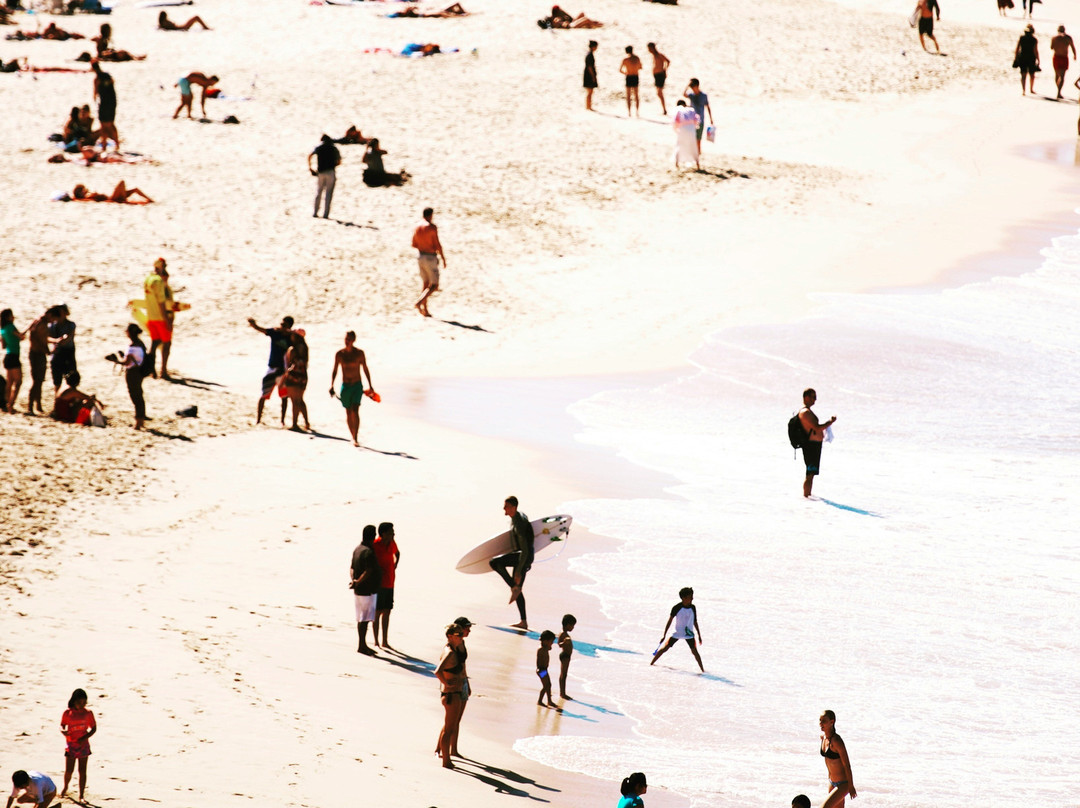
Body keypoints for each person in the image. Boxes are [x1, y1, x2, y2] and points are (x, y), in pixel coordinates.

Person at [489, 496, 534, 629]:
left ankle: (514, 587)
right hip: (522, 556)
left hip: (523, 557)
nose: (504, 509)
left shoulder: (519, 522)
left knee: (494, 563)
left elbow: (525, 548)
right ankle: (523, 621)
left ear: (513, 507)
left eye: (506, 506)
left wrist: (519, 570)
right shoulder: (519, 517)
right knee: (517, 589)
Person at [435, 616, 473, 759]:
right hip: (452, 688)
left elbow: (462, 666)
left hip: (461, 682)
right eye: (466, 628)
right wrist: (445, 683)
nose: (468, 631)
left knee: (456, 720)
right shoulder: (451, 648)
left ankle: (453, 750)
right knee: (450, 722)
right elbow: (441, 670)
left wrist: (467, 683)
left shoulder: (460, 644)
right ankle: (439, 749)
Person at [329, 330, 375, 447]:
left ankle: (355, 437)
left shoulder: (359, 353)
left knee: (355, 409)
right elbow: (335, 370)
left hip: (357, 385)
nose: (347, 341)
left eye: (349, 339)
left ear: (353, 340)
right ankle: (352, 435)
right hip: (345, 386)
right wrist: (332, 385)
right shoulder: (340, 354)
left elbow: (365, 368)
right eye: (346, 339)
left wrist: (370, 385)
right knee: (348, 412)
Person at [247, 316, 293, 424]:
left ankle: (282, 421)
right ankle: (258, 420)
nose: (281, 326)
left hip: (283, 371)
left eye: (284, 325)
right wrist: (254, 325)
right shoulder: (275, 332)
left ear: (289, 326)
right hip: (272, 368)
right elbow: (261, 329)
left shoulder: (291, 337)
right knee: (264, 395)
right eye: (281, 324)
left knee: (284, 397)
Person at [650, 586, 704, 672]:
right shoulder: (677, 607)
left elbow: (695, 621)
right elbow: (669, 621)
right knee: (664, 649)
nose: (692, 598)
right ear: (683, 598)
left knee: (695, 653)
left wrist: (699, 635)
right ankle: (651, 664)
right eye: (690, 597)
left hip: (689, 634)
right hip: (678, 633)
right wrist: (664, 635)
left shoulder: (693, 607)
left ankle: (703, 671)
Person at [106, 323, 147, 429]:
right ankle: (141, 419)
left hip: (132, 373)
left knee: (135, 396)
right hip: (140, 371)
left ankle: (138, 422)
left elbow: (126, 362)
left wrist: (115, 360)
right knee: (139, 395)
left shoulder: (132, 347)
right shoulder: (140, 344)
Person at [797, 387, 835, 498]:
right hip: (811, 446)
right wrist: (830, 422)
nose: (815, 399)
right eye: (813, 397)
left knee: (811, 474)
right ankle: (806, 496)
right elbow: (817, 428)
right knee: (810, 473)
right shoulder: (805, 412)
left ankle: (807, 496)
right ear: (806, 397)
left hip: (814, 445)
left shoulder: (807, 411)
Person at [139, 258, 174, 378]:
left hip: (151, 316)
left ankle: (151, 369)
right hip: (161, 317)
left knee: (154, 343)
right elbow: (161, 302)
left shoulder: (148, 279)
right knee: (167, 344)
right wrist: (167, 320)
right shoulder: (158, 281)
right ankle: (163, 371)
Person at [59, 689, 96, 802]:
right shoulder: (67, 713)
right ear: (74, 701)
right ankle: (65, 787)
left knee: (82, 771)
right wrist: (63, 731)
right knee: (69, 770)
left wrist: (84, 738)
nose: (82, 705)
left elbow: (93, 728)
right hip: (71, 745)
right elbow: (62, 725)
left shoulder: (88, 713)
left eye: (84, 702)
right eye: (80, 702)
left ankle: (81, 795)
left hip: (83, 745)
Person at [349, 525, 381, 656]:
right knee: (365, 619)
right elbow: (369, 570)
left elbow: (352, 568)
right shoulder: (368, 551)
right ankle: (362, 645)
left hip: (359, 589)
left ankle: (362, 644)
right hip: (367, 589)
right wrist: (359, 581)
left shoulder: (357, 549)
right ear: (373, 536)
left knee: (362, 618)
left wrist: (354, 580)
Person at [412, 207, 446, 317]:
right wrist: (443, 258)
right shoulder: (431, 227)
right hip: (430, 257)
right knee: (434, 285)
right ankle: (419, 302)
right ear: (430, 215)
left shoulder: (417, 226)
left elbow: (414, 243)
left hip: (420, 256)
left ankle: (425, 309)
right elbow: (437, 243)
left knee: (425, 283)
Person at [2, 309, 37, 413]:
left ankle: (7, 403)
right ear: (8, 317)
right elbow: (21, 336)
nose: (13, 317)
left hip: (8, 356)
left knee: (9, 382)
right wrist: (29, 326)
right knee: (18, 382)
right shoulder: (11, 327)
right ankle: (10, 404)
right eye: (11, 316)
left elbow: (3, 345)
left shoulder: (2, 329)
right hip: (14, 356)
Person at [819, 710, 856, 808]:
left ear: (832, 722)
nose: (821, 724)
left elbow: (847, 765)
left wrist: (851, 786)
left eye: (824, 721)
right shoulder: (824, 738)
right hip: (832, 782)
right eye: (820, 721)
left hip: (843, 783)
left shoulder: (836, 741)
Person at [372, 522, 400, 648]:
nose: (393, 534)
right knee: (377, 612)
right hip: (378, 583)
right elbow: (370, 561)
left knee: (387, 611)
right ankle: (376, 641)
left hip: (390, 582)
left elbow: (397, 553)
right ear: (383, 534)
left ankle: (385, 641)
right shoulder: (375, 545)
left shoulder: (392, 543)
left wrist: (395, 565)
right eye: (390, 532)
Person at [26, 307, 57, 415]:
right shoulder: (42, 324)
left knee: (38, 380)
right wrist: (47, 351)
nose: (52, 322)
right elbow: (39, 340)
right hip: (38, 354)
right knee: (37, 381)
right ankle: (30, 406)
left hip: (35, 353)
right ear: (50, 315)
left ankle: (37, 405)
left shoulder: (37, 321)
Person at [280, 330, 309, 430]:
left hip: (293, 376)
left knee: (294, 401)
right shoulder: (305, 348)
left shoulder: (292, 349)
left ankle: (295, 424)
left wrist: (284, 378)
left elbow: (290, 365)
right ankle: (306, 422)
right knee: (300, 400)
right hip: (303, 375)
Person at [308, 134, 340, 218]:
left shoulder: (319, 147)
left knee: (319, 192)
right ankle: (326, 214)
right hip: (330, 171)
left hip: (320, 172)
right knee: (329, 193)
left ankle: (315, 212)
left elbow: (310, 155)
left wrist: (310, 167)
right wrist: (334, 165)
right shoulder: (333, 148)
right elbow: (339, 160)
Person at [48, 305, 76, 397]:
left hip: (67, 354)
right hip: (58, 354)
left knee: (71, 379)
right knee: (57, 381)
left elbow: (66, 340)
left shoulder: (70, 325)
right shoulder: (52, 326)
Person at [91, 61, 118, 150]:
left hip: (104, 102)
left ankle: (104, 146)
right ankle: (117, 144)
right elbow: (112, 83)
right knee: (111, 124)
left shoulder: (97, 79)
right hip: (112, 101)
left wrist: (95, 100)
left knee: (103, 125)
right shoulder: (108, 76)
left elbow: (95, 93)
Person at [683, 79, 713, 158]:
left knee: (698, 139)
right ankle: (694, 155)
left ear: (697, 86)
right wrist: (687, 85)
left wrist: (711, 119)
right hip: (691, 121)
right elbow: (684, 94)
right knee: (691, 138)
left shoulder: (703, 96)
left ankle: (697, 156)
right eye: (692, 88)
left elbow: (708, 107)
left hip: (701, 121)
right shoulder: (691, 95)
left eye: (694, 87)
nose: (693, 89)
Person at [672, 99, 700, 170]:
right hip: (691, 129)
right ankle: (697, 164)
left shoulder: (678, 110)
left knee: (679, 145)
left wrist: (676, 130)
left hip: (682, 129)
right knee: (693, 146)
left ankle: (676, 164)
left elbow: (675, 122)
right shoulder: (691, 110)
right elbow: (697, 120)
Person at [70, 181, 153, 204]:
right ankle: (123, 197)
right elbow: (93, 197)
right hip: (113, 198)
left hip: (113, 197)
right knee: (121, 183)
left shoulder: (87, 196)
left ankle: (150, 200)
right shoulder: (87, 197)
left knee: (135, 189)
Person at [1015, 24, 1040, 95]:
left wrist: (1016, 58)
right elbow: (1035, 50)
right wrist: (1038, 59)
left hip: (1022, 57)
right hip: (1031, 57)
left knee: (1023, 74)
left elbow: (1017, 49)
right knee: (1032, 74)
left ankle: (1023, 90)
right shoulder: (1034, 40)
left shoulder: (1022, 38)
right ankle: (1031, 89)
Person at [1050, 25, 1075, 98]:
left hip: (1056, 57)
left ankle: (1058, 91)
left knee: (1057, 75)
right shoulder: (1068, 38)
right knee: (1062, 76)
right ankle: (1059, 92)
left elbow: (1051, 47)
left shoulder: (1054, 38)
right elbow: (1072, 47)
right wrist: (1074, 55)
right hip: (1064, 57)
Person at [536, 631, 558, 708]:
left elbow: (549, 648)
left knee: (548, 685)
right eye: (551, 642)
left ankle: (549, 700)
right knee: (546, 685)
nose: (552, 643)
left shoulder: (545, 648)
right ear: (545, 641)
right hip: (541, 670)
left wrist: (548, 646)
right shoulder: (541, 649)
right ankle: (540, 701)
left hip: (544, 670)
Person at [647, 42, 670, 115]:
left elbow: (668, 61)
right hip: (656, 75)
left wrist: (665, 70)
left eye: (649, 48)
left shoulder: (659, 55)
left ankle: (664, 109)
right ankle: (664, 109)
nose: (649, 50)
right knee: (659, 93)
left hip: (660, 74)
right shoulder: (654, 56)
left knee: (659, 92)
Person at [557, 613, 576, 700]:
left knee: (564, 674)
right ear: (568, 625)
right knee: (563, 675)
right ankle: (562, 693)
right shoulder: (563, 634)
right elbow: (559, 644)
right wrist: (564, 642)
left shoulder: (565, 633)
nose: (573, 628)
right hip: (565, 656)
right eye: (572, 626)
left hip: (567, 656)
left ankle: (563, 692)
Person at [620, 46, 642, 116]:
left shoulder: (625, 59)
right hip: (635, 76)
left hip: (629, 76)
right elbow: (640, 67)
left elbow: (620, 70)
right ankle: (637, 112)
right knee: (636, 95)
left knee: (628, 95)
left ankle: (629, 112)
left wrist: (626, 72)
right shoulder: (636, 58)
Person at [584, 40, 598, 110]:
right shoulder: (590, 55)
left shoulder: (589, 54)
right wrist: (593, 76)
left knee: (590, 91)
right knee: (590, 91)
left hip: (588, 73)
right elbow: (590, 67)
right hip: (589, 74)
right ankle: (588, 106)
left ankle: (588, 106)